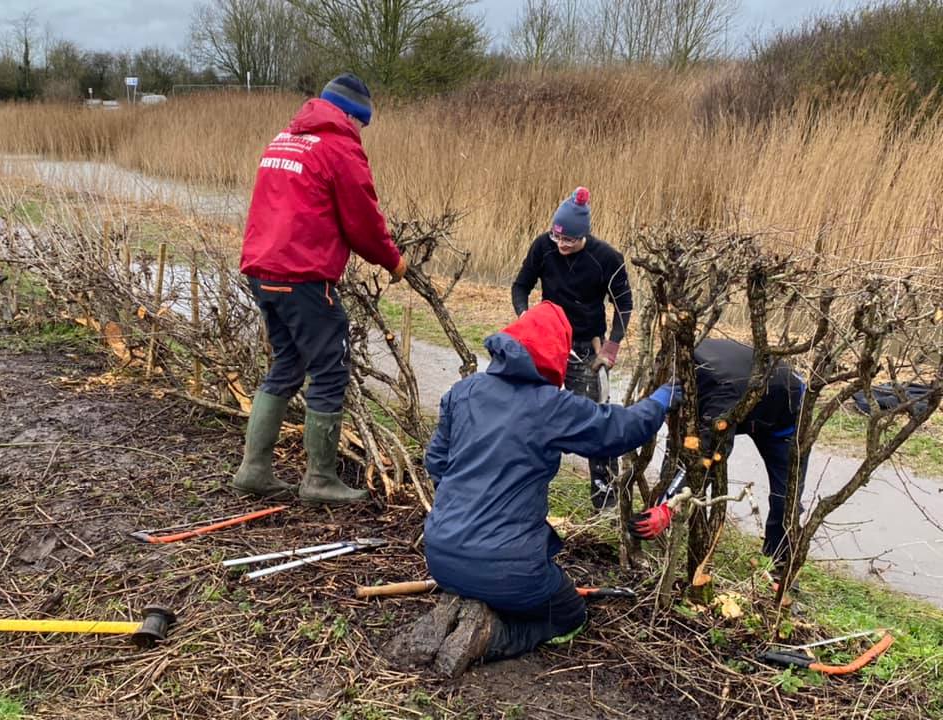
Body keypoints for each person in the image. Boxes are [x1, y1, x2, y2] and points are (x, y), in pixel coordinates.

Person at [416, 301, 682, 677]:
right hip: (510, 571)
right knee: (569, 614)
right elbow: (616, 431)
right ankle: (489, 636)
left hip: (440, 556)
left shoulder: (464, 391)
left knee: (498, 582)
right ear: (556, 353)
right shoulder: (551, 406)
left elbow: (437, 465)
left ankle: (464, 608)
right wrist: (658, 403)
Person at [233, 73, 406, 504]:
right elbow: (363, 221)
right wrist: (393, 260)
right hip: (303, 276)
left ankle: (254, 469)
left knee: (287, 364)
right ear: (352, 115)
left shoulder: (284, 140)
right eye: (362, 124)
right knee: (330, 369)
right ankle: (320, 479)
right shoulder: (338, 147)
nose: (360, 132)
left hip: (263, 272)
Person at [630, 338, 808, 573]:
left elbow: (707, 459)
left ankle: (779, 564)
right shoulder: (682, 360)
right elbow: (676, 446)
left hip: (785, 412)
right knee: (681, 444)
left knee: (785, 497)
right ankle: (664, 530)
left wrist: (669, 507)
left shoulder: (720, 397)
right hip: (744, 392)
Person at [511, 187, 633, 511]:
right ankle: (525, 492)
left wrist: (611, 347)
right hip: (547, 342)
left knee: (594, 419)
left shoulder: (606, 258)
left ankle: (605, 500)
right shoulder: (544, 246)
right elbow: (521, 285)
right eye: (557, 238)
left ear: (584, 235)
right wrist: (525, 318)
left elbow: (624, 305)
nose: (561, 245)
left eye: (569, 240)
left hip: (585, 346)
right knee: (532, 414)